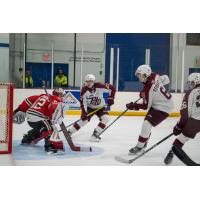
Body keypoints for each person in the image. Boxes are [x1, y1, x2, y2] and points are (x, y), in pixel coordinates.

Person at [126, 64, 174, 154]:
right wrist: (146, 93)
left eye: (140, 75)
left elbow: (145, 106)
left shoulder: (148, 89)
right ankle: (143, 144)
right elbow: (166, 79)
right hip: (160, 104)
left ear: (145, 75)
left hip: (163, 108)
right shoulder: (155, 75)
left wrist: (133, 106)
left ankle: (140, 147)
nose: (138, 77)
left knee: (146, 124)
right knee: (146, 124)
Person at [16, 88, 68, 154]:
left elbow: (29, 100)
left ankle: (28, 139)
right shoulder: (57, 99)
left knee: (42, 128)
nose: (63, 97)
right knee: (49, 128)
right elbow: (52, 109)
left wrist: (19, 109)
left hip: (30, 116)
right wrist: (54, 111)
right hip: (38, 116)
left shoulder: (43, 95)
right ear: (60, 95)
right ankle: (49, 147)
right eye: (62, 95)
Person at [67, 74, 116, 142]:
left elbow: (112, 88)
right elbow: (83, 103)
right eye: (87, 81)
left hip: (100, 107)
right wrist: (84, 113)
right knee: (84, 121)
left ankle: (95, 134)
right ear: (85, 82)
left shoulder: (100, 85)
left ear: (93, 81)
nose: (89, 83)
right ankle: (69, 132)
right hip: (89, 108)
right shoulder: (84, 90)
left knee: (106, 118)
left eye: (91, 81)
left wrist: (111, 98)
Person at [164, 73, 200, 165]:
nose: (190, 85)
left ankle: (172, 151)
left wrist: (179, 127)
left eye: (191, 83)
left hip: (196, 121)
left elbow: (185, 115)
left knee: (181, 139)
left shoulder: (190, 93)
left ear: (195, 81)